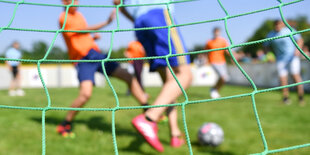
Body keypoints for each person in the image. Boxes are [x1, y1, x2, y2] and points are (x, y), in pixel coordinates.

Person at [57, 0, 148, 137]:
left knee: (128, 77)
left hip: (96, 54)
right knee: (85, 95)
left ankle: (148, 113)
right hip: (83, 60)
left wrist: (93, 38)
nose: (77, 2)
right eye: (73, 0)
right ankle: (65, 124)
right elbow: (80, 32)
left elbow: (81, 36)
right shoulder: (63, 17)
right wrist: (105, 23)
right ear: (64, 2)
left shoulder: (79, 15)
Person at [114, 0, 193, 152]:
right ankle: (149, 119)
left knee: (170, 85)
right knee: (185, 75)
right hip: (159, 15)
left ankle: (175, 134)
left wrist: (137, 19)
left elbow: (117, 3)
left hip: (141, 23)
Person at [264, 20, 305, 106]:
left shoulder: (289, 30)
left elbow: (300, 40)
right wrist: (269, 55)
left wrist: (298, 50)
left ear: (282, 25)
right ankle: (286, 98)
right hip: (281, 59)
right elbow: (265, 45)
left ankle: (301, 97)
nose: (277, 27)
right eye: (275, 25)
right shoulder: (271, 34)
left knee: (295, 75)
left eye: (279, 25)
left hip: (293, 57)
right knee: (282, 78)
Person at [204, 27, 230, 99]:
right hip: (213, 61)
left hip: (222, 61)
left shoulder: (223, 41)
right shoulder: (209, 42)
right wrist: (205, 60)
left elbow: (227, 50)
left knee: (225, 78)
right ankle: (214, 90)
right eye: (215, 32)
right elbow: (205, 52)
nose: (216, 33)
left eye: (218, 32)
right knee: (223, 77)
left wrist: (233, 57)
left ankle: (215, 90)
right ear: (213, 32)